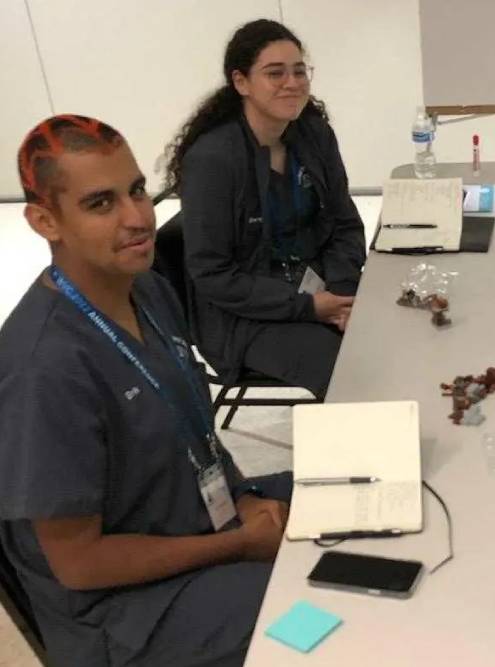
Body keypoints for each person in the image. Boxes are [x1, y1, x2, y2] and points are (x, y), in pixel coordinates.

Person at [0, 114, 292, 667]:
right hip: (125, 613)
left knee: (354, 488)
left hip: (192, 518)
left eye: (137, 190)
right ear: (45, 221)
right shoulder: (43, 370)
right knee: (315, 604)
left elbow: (192, 427)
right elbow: (79, 565)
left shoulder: (147, 290)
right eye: (101, 203)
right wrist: (240, 543)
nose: (138, 218)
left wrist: (246, 499)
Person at [164, 19, 366, 399]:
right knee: (351, 374)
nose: (292, 83)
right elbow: (213, 274)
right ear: (241, 82)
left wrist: (341, 294)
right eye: (275, 73)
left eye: (299, 71)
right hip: (246, 315)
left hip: (318, 285)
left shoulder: (313, 132)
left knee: (395, 335)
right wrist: (308, 308)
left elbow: (345, 224)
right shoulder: (212, 161)